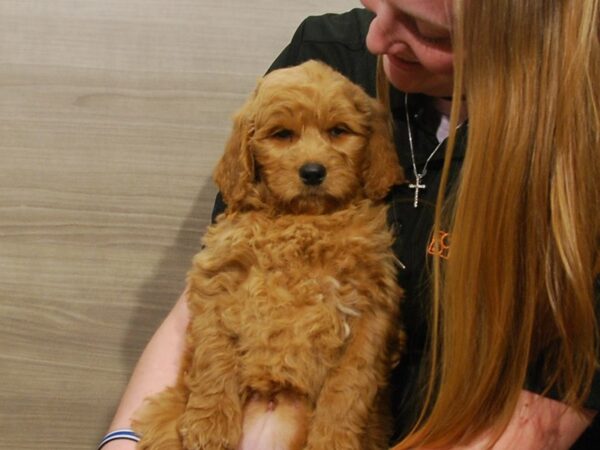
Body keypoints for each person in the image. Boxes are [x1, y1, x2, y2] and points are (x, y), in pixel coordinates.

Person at [100, 0, 600, 449]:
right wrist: (123, 441)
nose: (377, 38)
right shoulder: (331, 52)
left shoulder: (580, 139)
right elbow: (213, 291)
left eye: (425, 30)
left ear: (522, 36)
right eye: (378, 2)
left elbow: (540, 420)